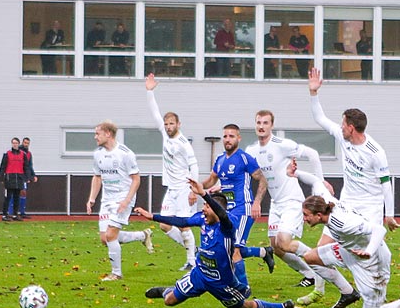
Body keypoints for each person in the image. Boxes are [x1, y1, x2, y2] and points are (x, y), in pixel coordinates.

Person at [248, 108, 356, 308]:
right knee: (277, 248)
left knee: (284, 242)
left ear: (271, 125)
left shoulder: (282, 145)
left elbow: (313, 154)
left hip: (291, 201)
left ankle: (320, 268)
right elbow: (249, 172)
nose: (261, 126)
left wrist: (321, 182)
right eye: (258, 123)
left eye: (265, 123)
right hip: (276, 203)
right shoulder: (252, 150)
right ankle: (310, 273)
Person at [132, 189, 294, 308]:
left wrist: (204, 194)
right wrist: (153, 216)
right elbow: (182, 221)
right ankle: (166, 290)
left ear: (217, 210)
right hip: (200, 274)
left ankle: (284, 307)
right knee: (169, 301)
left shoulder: (227, 227)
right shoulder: (202, 219)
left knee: (244, 307)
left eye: (207, 206)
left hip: (222, 282)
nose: (203, 209)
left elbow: (222, 215)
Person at [306, 67, 397, 237]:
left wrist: (389, 214)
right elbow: (320, 118)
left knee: (367, 254)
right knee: (320, 250)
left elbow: (386, 185)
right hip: (346, 204)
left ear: (351, 128)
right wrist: (313, 93)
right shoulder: (343, 137)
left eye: (343, 124)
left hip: (370, 208)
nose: (340, 127)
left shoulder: (376, 152)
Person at [298, 191, 400, 308]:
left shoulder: (344, 223)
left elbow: (380, 230)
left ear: (318, 215)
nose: (304, 219)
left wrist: (368, 251)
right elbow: (315, 181)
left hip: (371, 262)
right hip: (348, 251)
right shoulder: (327, 204)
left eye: (306, 215)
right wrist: (296, 173)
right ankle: (348, 293)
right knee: (310, 257)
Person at [198, 122, 271, 279]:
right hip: (227, 211)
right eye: (225, 136)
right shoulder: (220, 160)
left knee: (235, 249)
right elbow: (212, 180)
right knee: (227, 246)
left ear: (238, 138)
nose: (227, 139)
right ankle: (263, 252)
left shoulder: (244, 158)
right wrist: (197, 187)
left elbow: (262, 180)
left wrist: (257, 202)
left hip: (243, 208)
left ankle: (242, 288)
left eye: (231, 136)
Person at [85, 121, 152, 281]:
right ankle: (142, 236)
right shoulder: (98, 154)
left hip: (123, 198)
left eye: (97, 133)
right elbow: (97, 176)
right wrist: (92, 198)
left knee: (110, 235)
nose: (95, 137)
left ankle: (116, 273)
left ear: (108, 133)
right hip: (107, 199)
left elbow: (136, 179)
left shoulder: (125, 153)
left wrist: (126, 200)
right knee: (105, 239)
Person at [145, 75, 201, 266]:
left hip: (184, 189)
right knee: (164, 224)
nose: (168, 126)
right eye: (166, 123)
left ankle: (192, 261)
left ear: (179, 124)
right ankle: (194, 250)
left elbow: (194, 166)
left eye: (171, 123)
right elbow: (154, 113)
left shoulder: (184, 144)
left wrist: (194, 191)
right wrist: (150, 91)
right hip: (171, 188)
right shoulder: (165, 136)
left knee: (184, 226)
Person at [0, 138, 31, 221]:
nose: (15, 144)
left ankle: (15, 214)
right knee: (8, 197)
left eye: (16, 143)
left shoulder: (23, 155)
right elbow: (3, 166)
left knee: (17, 197)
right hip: (10, 178)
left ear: (18, 144)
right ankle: (4, 214)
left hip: (19, 178)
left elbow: (26, 167)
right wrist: (1, 178)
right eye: (13, 143)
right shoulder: (7, 154)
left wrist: (27, 177)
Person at [18, 137, 38, 214]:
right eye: (25, 143)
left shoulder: (29, 154)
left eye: (27, 143)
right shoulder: (18, 152)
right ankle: (12, 212)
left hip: (24, 176)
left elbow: (30, 165)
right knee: (15, 192)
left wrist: (33, 175)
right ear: (22, 143)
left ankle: (22, 212)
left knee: (23, 192)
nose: (26, 144)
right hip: (16, 174)